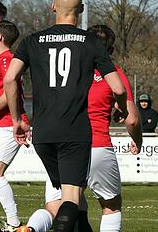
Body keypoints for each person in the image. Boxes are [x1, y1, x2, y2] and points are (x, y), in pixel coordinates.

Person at [3, 0, 129, 232]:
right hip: (75, 130)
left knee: (68, 198)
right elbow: (119, 89)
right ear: (80, 11)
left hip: (43, 133)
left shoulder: (32, 40)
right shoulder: (91, 42)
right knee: (71, 197)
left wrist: (17, 119)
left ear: (53, 7)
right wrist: (122, 108)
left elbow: (10, 79)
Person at [25, 25, 143, 232]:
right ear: (110, 51)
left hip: (61, 142)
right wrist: (137, 140)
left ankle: (32, 228)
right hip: (96, 145)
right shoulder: (113, 74)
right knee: (111, 206)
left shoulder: (68, 73)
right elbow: (132, 120)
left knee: (57, 208)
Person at [0, 20, 28, 230]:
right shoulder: (2, 60)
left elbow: (10, 93)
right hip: (2, 123)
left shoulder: (7, 60)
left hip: (11, 123)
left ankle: (14, 223)